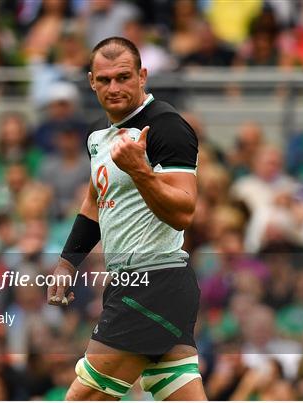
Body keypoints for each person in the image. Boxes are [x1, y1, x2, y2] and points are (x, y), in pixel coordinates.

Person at [47, 37, 205, 400]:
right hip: (137, 283)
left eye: (123, 77)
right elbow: (93, 202)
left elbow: (184, 211)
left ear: (142, 76)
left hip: (153, 282)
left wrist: (141, 172)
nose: (114, 87)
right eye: (104, 80)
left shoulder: (166, 126)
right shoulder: (99, 138)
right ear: (91, 81)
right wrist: (68, 263)